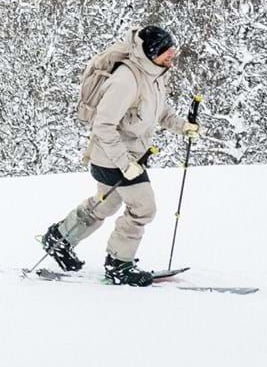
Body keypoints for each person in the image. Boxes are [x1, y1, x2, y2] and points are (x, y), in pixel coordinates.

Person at [41, 25, 199, 287]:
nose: (172, 57)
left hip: (128, 157)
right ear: (150, 52)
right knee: (143, 208)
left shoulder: (154, 75)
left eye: (174, 52)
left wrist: (183, 126)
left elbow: (158, 111)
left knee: (106, 204)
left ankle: (59, 238)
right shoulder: (126, 80)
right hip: (112, 157)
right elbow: (102, 126)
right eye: (167, 53)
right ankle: (119, 265)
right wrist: (125, 164)